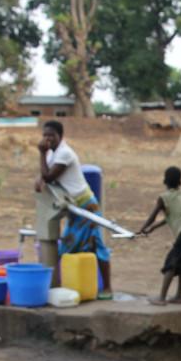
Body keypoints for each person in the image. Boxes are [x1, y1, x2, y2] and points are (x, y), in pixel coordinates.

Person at [34, 120, 112, 298]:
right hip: (74, 207)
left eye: (51, 136)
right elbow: (45, 173)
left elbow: (50, 176)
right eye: (45, 135)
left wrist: (40, 155)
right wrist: (40, 177)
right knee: (69, 247)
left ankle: (107, 288)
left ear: (60, 137)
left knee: (95, 246)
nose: (47, 139)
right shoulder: (51, 154)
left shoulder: (65, 154)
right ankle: (66, 285)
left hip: (86, 205)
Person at [138, 166, 181, 305]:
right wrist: (152, 229)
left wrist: (142, 229)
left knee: (172, 261)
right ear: (180, 181)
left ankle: (162, 298)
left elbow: (153, 216)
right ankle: (178, 296)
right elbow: (170, 217)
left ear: (165, 181)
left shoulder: (164, 198)